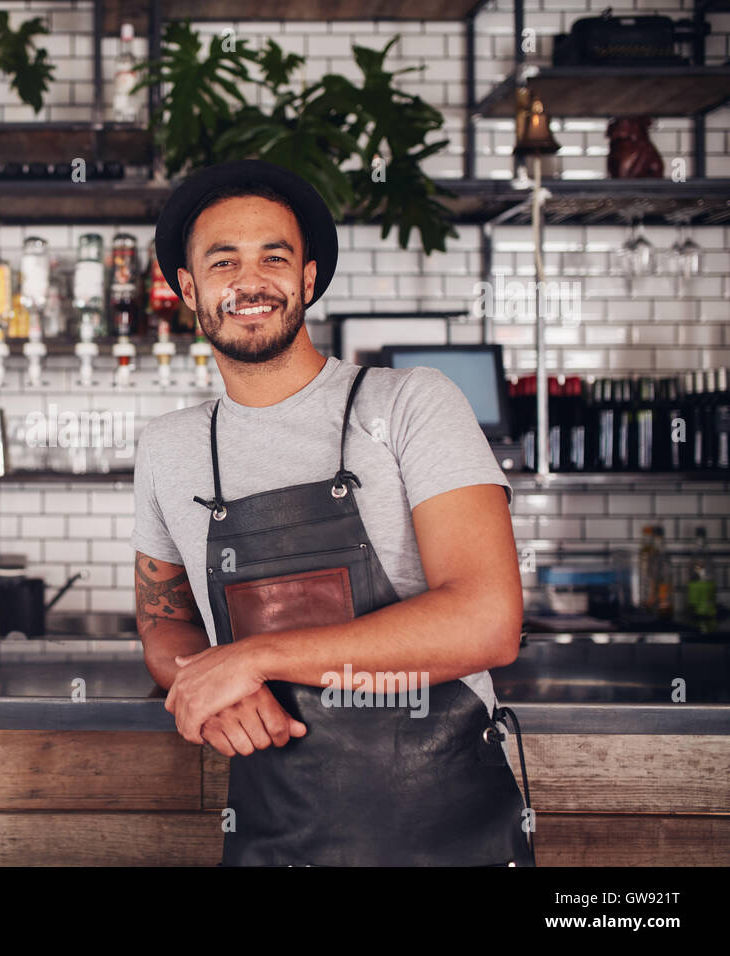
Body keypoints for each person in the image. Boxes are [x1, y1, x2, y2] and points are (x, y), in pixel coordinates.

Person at [132, 159, 535, 867]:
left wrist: (251, 659)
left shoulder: (410, 402)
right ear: (188, 289)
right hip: (276, 838)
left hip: (450, 836)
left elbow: (489, 620)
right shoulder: (168, 449)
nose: (250, 282)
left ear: (308, 280)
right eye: (223, 261)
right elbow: (166, 622)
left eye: (274, 258)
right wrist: (207, 685)